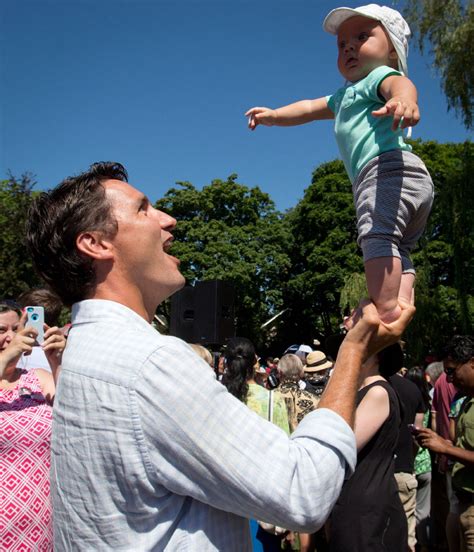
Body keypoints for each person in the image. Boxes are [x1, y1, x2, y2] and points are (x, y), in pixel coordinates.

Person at [25, 161, 414, 550]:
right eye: (143, 209)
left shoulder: (83, 352)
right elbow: (302, 490)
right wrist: (354, 352)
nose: (168, 220)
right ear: (95, 243)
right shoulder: (148, 363)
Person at [246, 4, 434, 324]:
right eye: (342, 44)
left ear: (392, 51)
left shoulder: (378, 77)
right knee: (397, 246)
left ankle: (384, 309)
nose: (349, 47)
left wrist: (405, 100)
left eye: (362, 37)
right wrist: (275, 116)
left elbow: (400, 84)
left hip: (384, 171)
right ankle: (400, 302)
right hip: (408, 178)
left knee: (375, 236)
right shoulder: (343, 96)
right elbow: (308, 108)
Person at [329, 342, 408, 551]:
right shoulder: (362, 390)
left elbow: (345, 444)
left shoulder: (378, 393)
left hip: (367, 506)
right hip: (355, 500)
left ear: (376, 356)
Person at [0, 300, 65, 551]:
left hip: (41, 529)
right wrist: (7, 356)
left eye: (16, 329)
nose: (10, 337)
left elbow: (75, 416)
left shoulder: (38, 379)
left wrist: (57, 362)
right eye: (1, 331)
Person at [417, 336, 474, 552]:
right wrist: (441, 442)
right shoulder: (467, 401)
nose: (448, 380)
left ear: (472, 363)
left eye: (452, 371)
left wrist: (446, 448)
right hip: (464, 504)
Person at [389, 367, 427, 551]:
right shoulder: (412, 389)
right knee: (407, 535)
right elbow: (416, 435)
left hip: (374, 473)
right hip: (404, 468)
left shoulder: (370, 386)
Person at [405, 366, 433, 552]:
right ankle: (425, 546)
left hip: (411, 464)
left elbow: (415, 435)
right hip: (426, 463)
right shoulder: (428, 403)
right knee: (424, 512)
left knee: (408, 513)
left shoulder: (404, 403)